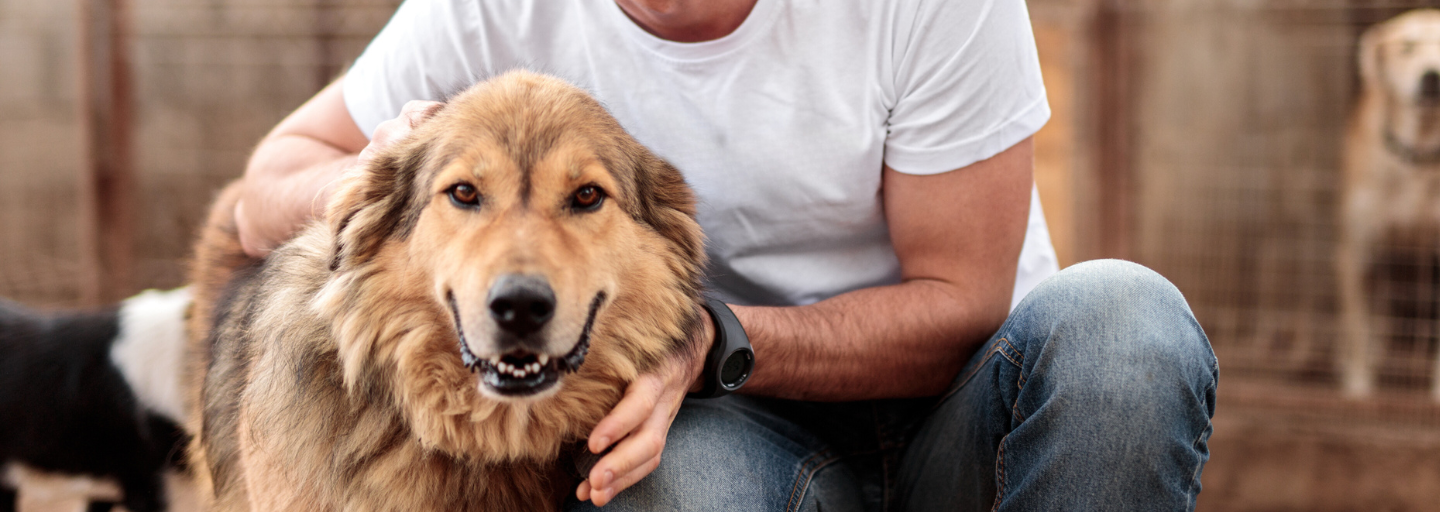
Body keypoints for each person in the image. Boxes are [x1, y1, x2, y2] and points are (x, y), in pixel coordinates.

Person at [234, 0, 1218, 510]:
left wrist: (715, 339)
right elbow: (267, 186)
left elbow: (959, 302)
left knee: (1124, 322)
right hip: (723, 431)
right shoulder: (488, 10)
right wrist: (384, 169)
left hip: (967, 420)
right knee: (652, 479)